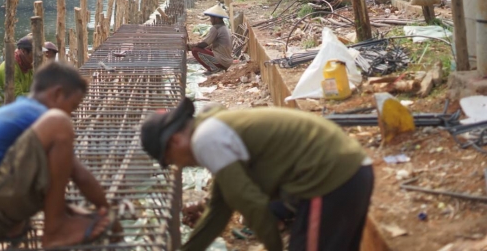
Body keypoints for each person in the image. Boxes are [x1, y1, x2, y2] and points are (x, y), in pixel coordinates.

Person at [140, 98, 374, 251]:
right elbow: (219, 210)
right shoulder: (211, 129)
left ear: (174, 141)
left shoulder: (205, 139)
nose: (179, 167)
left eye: (170, 161)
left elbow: (252, 203)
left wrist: (273, 247)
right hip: (348, 173)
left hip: (328, 180)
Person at [0, 62, 115, 247]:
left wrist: (66, 207)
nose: (71, 114)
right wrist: (106, 210)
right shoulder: (37, 115)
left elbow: (35, 171)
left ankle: (57, 218)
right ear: (58, 94)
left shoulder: (19, 113)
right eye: (72, 106)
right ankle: (55, 230)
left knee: (50, 153)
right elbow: (79, 174)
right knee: (59, 122)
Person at [0, 34, 34, 111]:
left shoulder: (29, 66)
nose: (39, 57)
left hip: (11, 107)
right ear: (24, 51)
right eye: (34, 54)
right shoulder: (10, 67)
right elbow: (17, 98)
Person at [187, 5, 233, 75]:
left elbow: (204, 44)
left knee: (195, 50)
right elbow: (210, 46)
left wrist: (190, 46)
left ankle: (214, 69)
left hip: (221, 61)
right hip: (227, 61)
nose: (210, 20)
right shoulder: (224, 27)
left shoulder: (216, 28)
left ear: (216, 18)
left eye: (211, 18)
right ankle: (216, 67)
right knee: (206, 49)